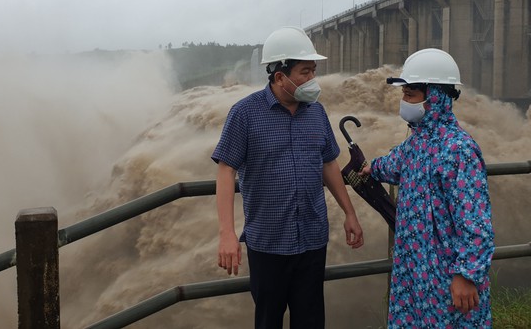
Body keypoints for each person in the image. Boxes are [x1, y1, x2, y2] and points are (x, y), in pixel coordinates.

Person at [212, 26, 364, 329]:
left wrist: (350, 213)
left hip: (312, 239)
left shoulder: (317, 112)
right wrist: (227, 234)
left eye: (313, 71)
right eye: (305, 72)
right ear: (280, 76)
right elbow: (226, 170)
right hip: (268, 242)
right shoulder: (244, 114)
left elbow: (329, 164)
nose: (312, 79)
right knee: (268, 321)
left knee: (310, 320)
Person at [361, 48, 495, 328]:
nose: (404, 102)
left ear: (435, 97)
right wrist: (371, 167)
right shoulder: (418, 140)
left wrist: (467, 275)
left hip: (447, 275)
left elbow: (476, 223)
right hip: (415, 270)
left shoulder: (458, 150)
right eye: (404, 94)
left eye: (410, 95)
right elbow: (394, 164)